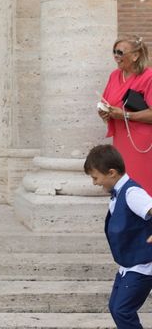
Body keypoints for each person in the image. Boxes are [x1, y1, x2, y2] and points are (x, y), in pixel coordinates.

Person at [84, 144, 152, 329]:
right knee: (116, 307)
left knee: (123, 310)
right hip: (128, 264)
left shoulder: (132, 193)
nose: (95, 183)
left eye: (95, 177)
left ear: (111, 173)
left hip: (142, 265)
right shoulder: (119, 193)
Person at [98, 36, 152, 193]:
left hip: (143, 142)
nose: (116, 56)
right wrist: (105, 112)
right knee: (124, 184)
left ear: (135, 56)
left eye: (120, 52)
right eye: (114, 52)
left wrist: (125, 116)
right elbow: (108, 102)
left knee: (142, 184)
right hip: (122, 139)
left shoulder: (148, 77)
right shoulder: (114, 75)